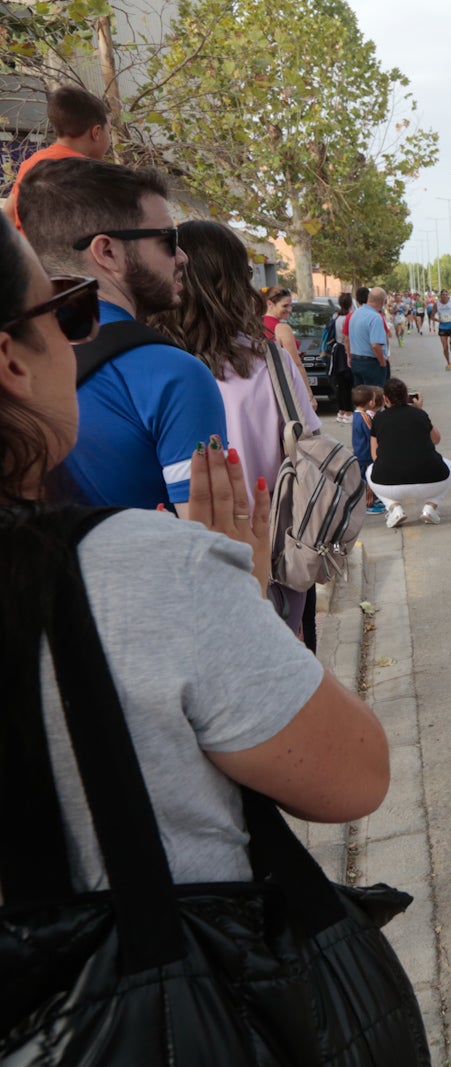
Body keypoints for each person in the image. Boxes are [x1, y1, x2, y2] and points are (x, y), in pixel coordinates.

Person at [0, 210, 390, 908]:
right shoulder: (149, 569)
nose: (80, 341)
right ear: (11, 361)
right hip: (158, 990)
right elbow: (357, 775)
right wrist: (236, 581)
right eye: (67, 311)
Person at [19, 156, 226, 514]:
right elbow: (211, 544)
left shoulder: (13, 361)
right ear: (108, 252)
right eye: (167, 239)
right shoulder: (173, 374)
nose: (182, 257)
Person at [147, 219, 323, 628]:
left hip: (188, 577)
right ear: (234, 281)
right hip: (282, 560)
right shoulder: (271, 362)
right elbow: (312, 446)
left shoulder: (152, 368)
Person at [5, 86, 111, 232]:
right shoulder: (87, 172)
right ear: (97, 132)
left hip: (29, 251)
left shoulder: (34, 161)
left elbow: (9, 214)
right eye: (109, 131)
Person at [368, 378, 451, 527]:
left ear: (385, 399)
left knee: (370, 471)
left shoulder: (379, 419)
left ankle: (394, 508)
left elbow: (375, 455)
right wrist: (420, 411)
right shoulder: (419, 414)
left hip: (389, 485)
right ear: (407, 396)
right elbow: (436, 439)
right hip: (431, 480)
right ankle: (431, 507)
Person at [263, 286, 311, 393]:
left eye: (290, 305)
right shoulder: (282, 328)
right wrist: (309, 394)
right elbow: (296, 364)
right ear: (270, 304)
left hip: (263, 385)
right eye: (285, 306)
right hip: (284, 385)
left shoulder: (253, 325)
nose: (289, 309)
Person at [351, 384, 385, 515]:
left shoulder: (357, 415)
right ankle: (369, 503)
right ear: (371, 402)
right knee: (369, 479)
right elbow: (372, 433)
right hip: (366, 454)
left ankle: (373, 500)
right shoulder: (365, 417)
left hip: (360, 452)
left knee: (366, 477)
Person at [348, 286, 389, 387]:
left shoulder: (355, 314)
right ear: (382, 301)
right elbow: (375, 345)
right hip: (371, 363)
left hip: (356, 360)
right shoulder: (375, 317)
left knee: (361, 396)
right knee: (375, 396)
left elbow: (348, 339)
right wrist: (382, 362)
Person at [328, 291, 354, 423]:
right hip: (346, 351)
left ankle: (341, 411)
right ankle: (349, 412)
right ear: (350, 303)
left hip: (336, 351)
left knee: (340, 384)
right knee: (349, 384)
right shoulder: (350, 317)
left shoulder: (335, 316)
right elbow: (348, 338)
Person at [435, 288, 451, 370]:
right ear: (440, 296)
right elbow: (432, 316)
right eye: (443, 295)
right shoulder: (437, 304)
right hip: (442, 327)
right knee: (445, 348)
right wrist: (438, 320)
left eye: (446, 295)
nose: (445, 296)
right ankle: (448, 363)